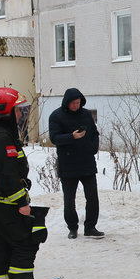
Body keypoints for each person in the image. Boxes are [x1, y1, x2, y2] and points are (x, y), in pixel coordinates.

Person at [0, 87, 48, 279]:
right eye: (17, 110)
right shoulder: (2, 138)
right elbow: (7, 175)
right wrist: (21, 202)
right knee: (24, 242)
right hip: (7, 201)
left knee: (1, 243)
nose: (19, 115)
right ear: (6, 112)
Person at [49, 87, 104, 239]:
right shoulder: (56, 116)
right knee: (69, 199)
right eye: (73, 103)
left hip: (86, 161)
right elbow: (54, 138)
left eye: (78, 102)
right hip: (68, 163)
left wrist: (93, 148)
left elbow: (94, 133)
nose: (75, 106)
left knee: (92, 197)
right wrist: (71, 137)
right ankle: (72, 228)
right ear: (67, 103)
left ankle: (90, 227)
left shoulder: (86, 114)